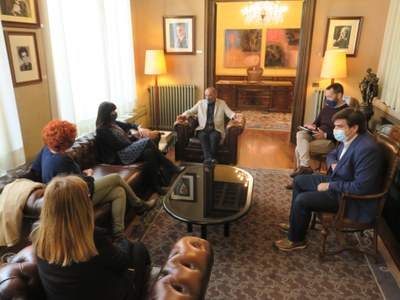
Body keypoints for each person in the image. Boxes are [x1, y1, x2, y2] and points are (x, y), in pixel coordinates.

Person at [274, 108, 383, 251]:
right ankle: (295, 224)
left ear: (354, 127)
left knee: (303, 200)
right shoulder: (350, 137)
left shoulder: (367, 149)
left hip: (349, 199)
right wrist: (333, 163)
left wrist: (330, 186)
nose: (336, 130)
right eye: (335, 126)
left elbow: (361, 187)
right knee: (300, 180)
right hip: (339, 181)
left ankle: (296, 240)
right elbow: (333, 153)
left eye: (339, 126)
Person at [31, 119, 156, 240]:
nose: (73, 142)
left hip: (65, 195)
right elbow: (84, 186)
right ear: (64, 142)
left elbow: (36, 169)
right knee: (116, 178)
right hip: (76, 199)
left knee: (119, 192)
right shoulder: (61, 160)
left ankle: (118, 233)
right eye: (71, 140)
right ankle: (139, 204)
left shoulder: (46, 150)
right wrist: (89, 174)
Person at [31, 175, 151, 299]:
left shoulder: (38, 233)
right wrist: (123, 241)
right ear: (80, 206)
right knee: (139, 249)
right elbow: (121, 261)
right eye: (88, 197)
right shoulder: (93, 236)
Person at [95, 102, 185, 195]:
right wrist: (134, 141)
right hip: (118, 157)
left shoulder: (113, 123)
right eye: (112, 111)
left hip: (125, 150)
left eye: (115, 110)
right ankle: (170, 167)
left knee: (149, 152)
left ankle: (157, 187)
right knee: (147, 141)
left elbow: (129, 125)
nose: (115, 113)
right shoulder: (101, 129)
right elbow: (117, 145)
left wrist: (139, 128)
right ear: (106, 114)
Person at [289, 83, 348, 179]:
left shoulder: (346, 112)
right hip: (316, 135)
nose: (327, 99)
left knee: (298, 149)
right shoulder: (326, 108)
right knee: (300, 133)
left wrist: (324, 135)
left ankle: (299, 177)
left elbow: (343, 134)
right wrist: (312, 126)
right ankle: (305, 167)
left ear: (339, 95)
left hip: (329, 141)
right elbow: (317, 122)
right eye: (326, 96)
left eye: (329, 96)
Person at [177, 87, 242, 163]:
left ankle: (208, 160)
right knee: (203, 137)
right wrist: (183, 116)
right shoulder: (200, 103)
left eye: (210, 95)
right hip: (203, 129)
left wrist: (235, 116)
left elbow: (229, 113)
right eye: (206, 95)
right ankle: (210, 160)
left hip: (216, 129)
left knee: (214, 138)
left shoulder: (222, 103)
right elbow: (190, 112)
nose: (207, 98)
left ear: (215, 95)